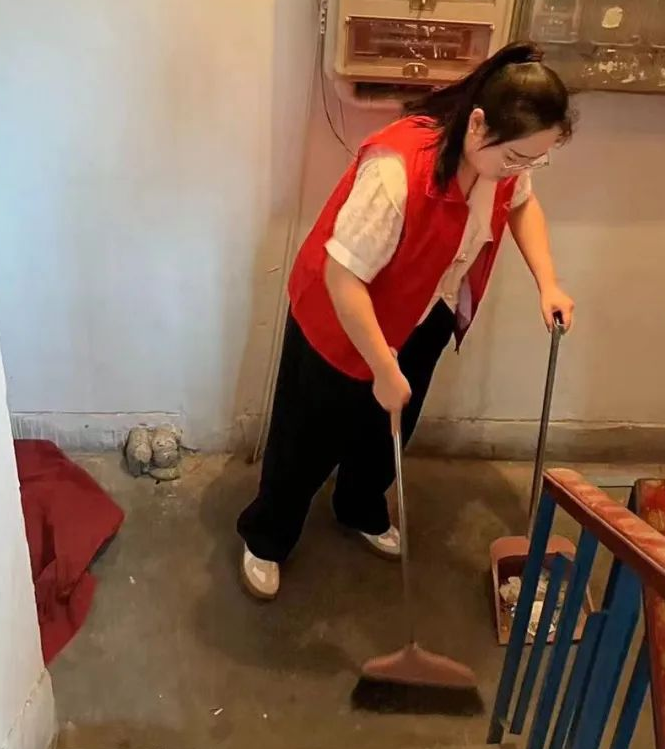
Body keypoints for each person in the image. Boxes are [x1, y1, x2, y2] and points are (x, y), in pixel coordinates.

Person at [237, 42, 576, 600]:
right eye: (518, 158)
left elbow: (521, 204)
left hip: (423, 311)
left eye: (536, 160)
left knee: (388, 429)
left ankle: (358, 506)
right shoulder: (395, 171)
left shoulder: (502, 161)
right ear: (477, 124)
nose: (522, 170)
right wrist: (381, 366)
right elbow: (343, 278)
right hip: (342, 318)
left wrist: (549, 282)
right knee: (307, 439)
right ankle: (267, 535)